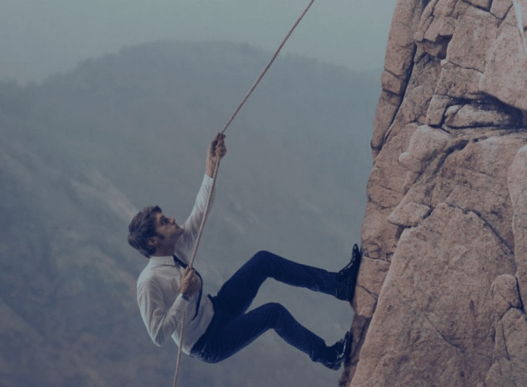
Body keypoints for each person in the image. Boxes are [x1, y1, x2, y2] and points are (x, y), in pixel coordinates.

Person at [127, 134, 360, 369]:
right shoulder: (149, 282)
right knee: (274, 313)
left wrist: (211, 166)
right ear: (152, 242)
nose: (172, 219)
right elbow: (158, 335)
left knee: (263, 261)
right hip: (209, 342)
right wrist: (184, 295)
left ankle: (340, 285)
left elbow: (201, 210)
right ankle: (328, 356)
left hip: (219, 309)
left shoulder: (176, 248)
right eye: (164, 221)